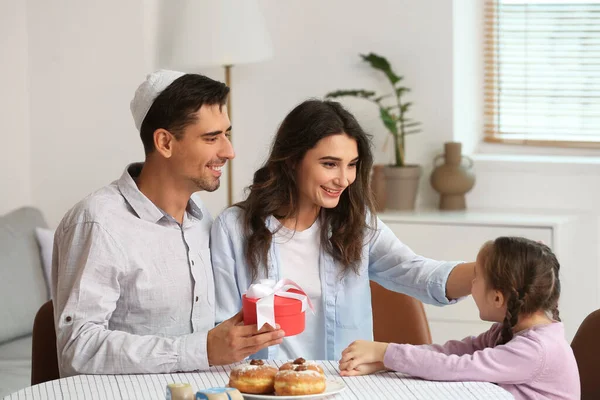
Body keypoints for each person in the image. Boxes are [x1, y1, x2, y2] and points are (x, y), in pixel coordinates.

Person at [52, 70, 284, 377]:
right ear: (164, 142)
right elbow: (77, 348)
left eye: (226, 134)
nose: (229, 151)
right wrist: (202, 349)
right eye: (212, 138)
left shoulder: (201, 218)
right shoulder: (98, 222)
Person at [210, 99, 474, 361]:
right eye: (329, 164)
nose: (344, 179)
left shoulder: (357, 225)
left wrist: (487, 270)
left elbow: (418, 273)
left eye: (352, 164)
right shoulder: (234, 228)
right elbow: (221, 327)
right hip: (262, 387)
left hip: (342, 385)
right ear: (292, 160)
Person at [339, 237, 580, 400]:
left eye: (476, 278)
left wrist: (386, 352)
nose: (471, 285)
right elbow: (456, 351)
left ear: (497, 299)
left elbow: (460, 367)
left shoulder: (535, 350)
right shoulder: (509, 330)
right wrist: (388, 361)